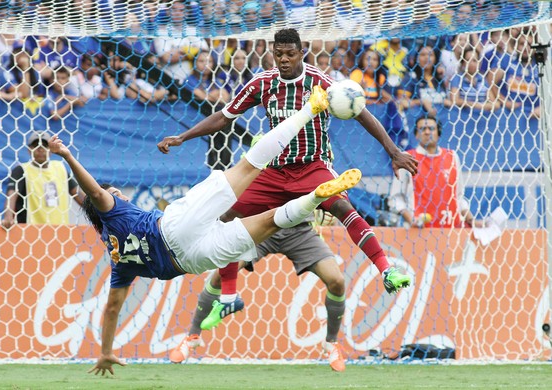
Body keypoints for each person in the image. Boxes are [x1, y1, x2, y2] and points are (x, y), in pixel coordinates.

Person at [54, 86, 359, 375]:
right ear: (110, 199)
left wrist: (106, 350)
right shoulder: (114, 211)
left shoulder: (118, 259)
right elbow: (95, 194)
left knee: (270, 221)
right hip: (172, 229)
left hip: (190, 262)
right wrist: (67, 156)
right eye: (115, 193)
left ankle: (315, 197)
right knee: (249, 166)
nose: (119, 195)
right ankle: (311, 108)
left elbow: (112, 309)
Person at [158, 28, 417, 331]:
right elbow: (225, 116)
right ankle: (228, 296)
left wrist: (393, 152)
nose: (283, 59)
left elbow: (362, 114)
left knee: (343, 208)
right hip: (274, 171)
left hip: (312, 167)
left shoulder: (321, 82)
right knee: (225, 214)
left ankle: (386, 269)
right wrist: (184, 137)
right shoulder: (263, 83)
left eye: (289, 54)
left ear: (301, 52)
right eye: (278, 53)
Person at [170, 220, 349, 372]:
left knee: (337, 281)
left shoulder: (311, 177)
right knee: (219, 276)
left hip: (300, 231)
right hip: (261, 226)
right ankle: (193, 337)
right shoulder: (257, 177)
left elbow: (325, 191)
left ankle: (331, 343)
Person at [388, 115, 483, 228]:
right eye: (422, 129)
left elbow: (458, 196)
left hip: (451, 229)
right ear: (416, 134)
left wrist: (471, 220)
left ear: (438, 133)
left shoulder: (452, 157)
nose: (427, 132)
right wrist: (410, 220)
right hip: (419, 230)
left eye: (431, 128)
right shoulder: (408, 158)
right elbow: (395, 198)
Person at [2, 130, 83, 228]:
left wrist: (96, 210)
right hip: (31, 232)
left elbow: (77, 193)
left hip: (61, 231)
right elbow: (12, 194)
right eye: (36, 145)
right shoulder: (21, 170)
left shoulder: (60, 168)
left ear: (50, 149)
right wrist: (8, 216)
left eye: (44, 145)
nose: (40, 149)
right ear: (29, 150)